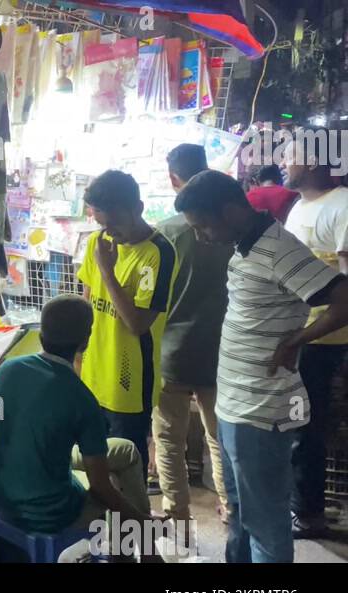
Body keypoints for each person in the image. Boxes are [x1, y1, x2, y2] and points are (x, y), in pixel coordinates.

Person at [175, 170, 348, 563]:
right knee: (241, 516)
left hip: (261, 411)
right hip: (237, 404)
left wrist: (297, 340)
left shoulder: (279, 248)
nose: (201, 236)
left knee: (265, 525)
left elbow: (344, 299)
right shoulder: (248, 246)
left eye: (203, 226)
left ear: (232, 211)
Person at [0, 296, 158, 561]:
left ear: (40, 333)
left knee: (124, 451)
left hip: (3, 493)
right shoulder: (81, 400)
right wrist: (141, 519)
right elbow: (99, 488)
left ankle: (140, 547)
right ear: (86, 340)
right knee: (117, 482)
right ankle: (135, 552)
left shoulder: (8, 371)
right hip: (52, 511)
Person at [78, 170, 179, 475]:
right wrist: (77, 361)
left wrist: (107, 271)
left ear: (138, 208)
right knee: (91, 467)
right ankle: (101, 522)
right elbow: (86, 304)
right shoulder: (97, 241)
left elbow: (138, 324)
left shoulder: (159, 252)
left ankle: (130, 523)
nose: (109, 233)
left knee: (125, 472)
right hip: (92, 377)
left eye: (115, 224)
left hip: (128, 385)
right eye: (101, 224)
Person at [153, 144, 231, 527]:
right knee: (219, 436)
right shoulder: (229, 230)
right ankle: (231, 508)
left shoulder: (164, 234)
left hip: (170, 352)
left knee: (170, 437)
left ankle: (177, 513)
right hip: (219, 349)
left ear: (173, 178)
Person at [282, 130, 348, 538]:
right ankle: (299, 505)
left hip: (322, 340)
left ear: (312, 160)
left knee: (307, 427)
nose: (285, 163)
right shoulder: (298, 207)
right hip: (295, 335)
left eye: (290, 156)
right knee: (295, 425)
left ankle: (307, 513)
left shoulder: (342, 206)